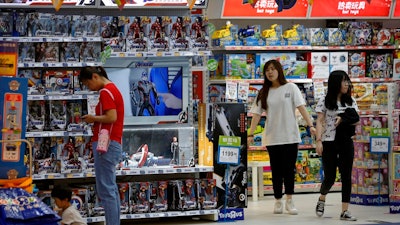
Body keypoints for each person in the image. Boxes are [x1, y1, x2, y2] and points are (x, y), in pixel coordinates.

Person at [247, 59, 316, 215]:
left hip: (290, 136)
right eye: (267, 70)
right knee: (276, 171)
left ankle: (289, 201)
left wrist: (311, 125)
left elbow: (302, 108)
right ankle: (278, 200)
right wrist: (250, 134)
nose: (270, 72)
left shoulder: (291, 88)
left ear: (279, 70)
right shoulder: (263, 92)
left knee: (289, 170)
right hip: (272, 137)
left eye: (273, 69)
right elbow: (256, 115)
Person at [79, 66, 124, 225]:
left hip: (107, 143)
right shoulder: (114, 89)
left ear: (95, 77)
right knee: (111, 189)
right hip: (113, 142)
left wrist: (93, 118)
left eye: (87, 84)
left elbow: (111, 117)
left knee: (106, 189)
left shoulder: (105, 92)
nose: (89, 88)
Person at [314, 70, 359, 221]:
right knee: (330, 177)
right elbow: (319, 121)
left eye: (347, 81)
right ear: (335, 83)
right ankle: (322, 198)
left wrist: (343, 118)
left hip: (346, 141)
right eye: (343, 81)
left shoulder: (351, 101)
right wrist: (318, 141)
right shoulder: (324, 100)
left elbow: (356, 120)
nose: (347, 84)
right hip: (329, 142)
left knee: (346, 176)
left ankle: (345, 211)